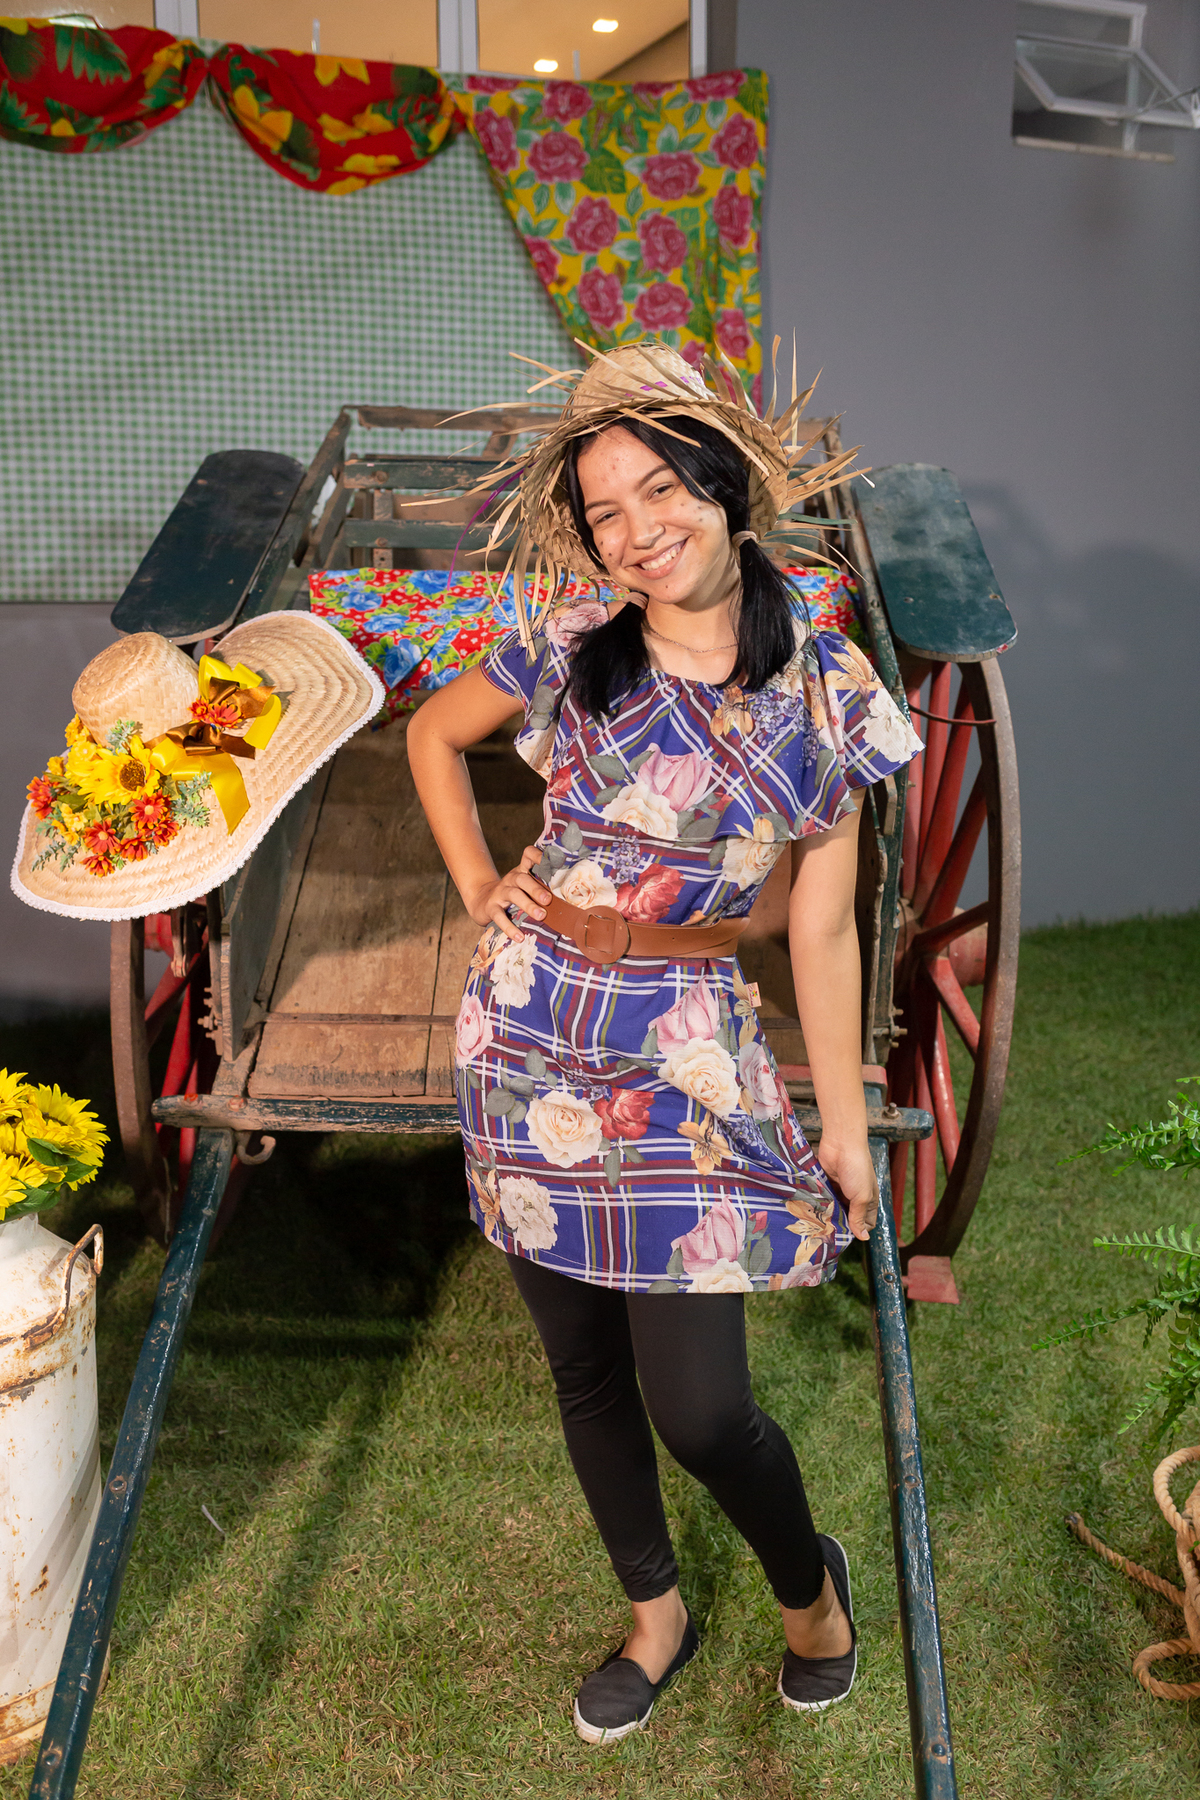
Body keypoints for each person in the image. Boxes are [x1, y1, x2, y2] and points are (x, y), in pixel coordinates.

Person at [406, 341, 922, 1743]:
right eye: (605, 511)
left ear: (724, 482)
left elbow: (822, 927)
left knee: (700, 1410)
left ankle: (809, 1592)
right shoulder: (572, 643)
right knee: (582, 1369)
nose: (638, 530)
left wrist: (841, 1122)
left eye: (661, 489)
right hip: (526, 1039)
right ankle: (656, 1616)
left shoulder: (829, 692)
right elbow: (434, 738)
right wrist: (479, 884)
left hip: (685, 1054)